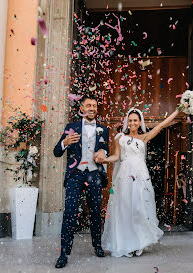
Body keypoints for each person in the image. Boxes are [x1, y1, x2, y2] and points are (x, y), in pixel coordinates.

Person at [97, 108, 184, 257]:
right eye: (130, 120)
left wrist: (177, 112)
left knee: (138, 209)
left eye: (135, 120)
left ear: (140, 122)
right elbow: (116, 156)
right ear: (127, 122)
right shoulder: (120, 138)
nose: (132, 123)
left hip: (141, 177)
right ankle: (126, 243)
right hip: (124, 177)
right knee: (125, 210)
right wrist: (104, 159)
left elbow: (161, 125)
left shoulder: (144, 137)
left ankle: (138, 242)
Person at [53, 95, 110, 268]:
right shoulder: (71, 127)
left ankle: (97, 246)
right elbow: (56, 152)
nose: (92, 108)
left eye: (94, 105)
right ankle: (64, 253)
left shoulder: (103, 129)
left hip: (94, 174)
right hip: (75, 175)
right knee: (69, 213)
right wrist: (64, 142)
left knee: (95, 212)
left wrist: (103, 154)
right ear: (82, 108)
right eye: (88, 105)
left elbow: (105, 150)